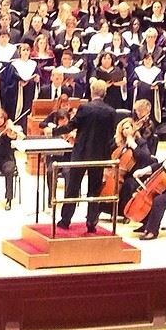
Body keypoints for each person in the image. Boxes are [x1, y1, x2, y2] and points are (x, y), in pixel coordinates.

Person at [53, 79, 116, 233]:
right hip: (100, 155)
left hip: (81, 153)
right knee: (94, 190)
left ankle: (65, 220)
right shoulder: (111, 111)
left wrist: (55, 131)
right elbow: (110, 136)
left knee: (73, 188)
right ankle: (91, 222)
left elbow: (71, 125)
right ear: (105, 93)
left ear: (91, 91)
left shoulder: (84, 108)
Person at [0, 107, 24, 210]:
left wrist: (12, 134)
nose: (0, 120)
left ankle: (9, 199)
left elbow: (19, 136)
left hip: (7, 158)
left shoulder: (9, 129)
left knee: (9, 170)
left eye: (2, 118)